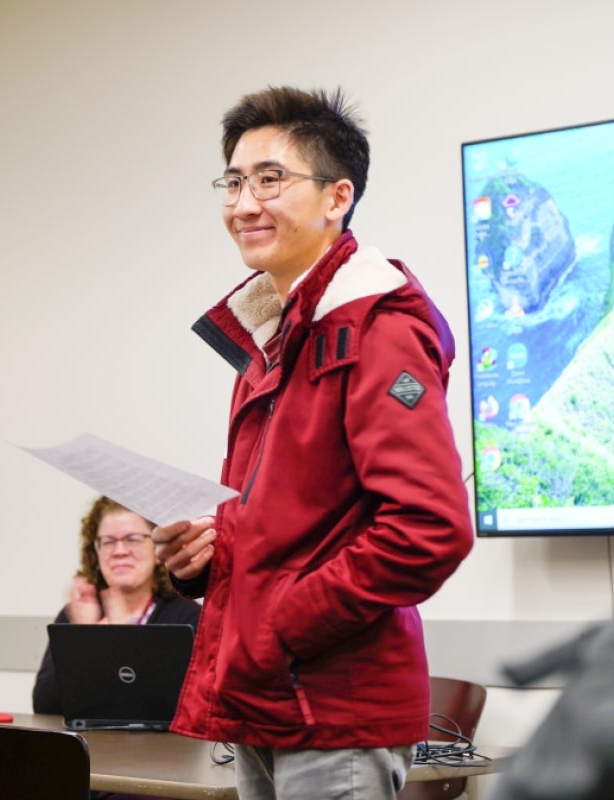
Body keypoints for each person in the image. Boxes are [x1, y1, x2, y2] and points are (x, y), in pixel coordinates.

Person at [152, 86, 475, 800]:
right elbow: (290, 525)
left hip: (333, 707)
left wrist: (281, 624)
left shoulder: (379, 328)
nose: (244, 203)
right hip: (266, 696)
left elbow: (430, 529)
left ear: (337, 197)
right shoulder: (275, 332)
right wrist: (204, 558)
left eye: (271, 179)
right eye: (233, 182)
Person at [32, 495, 201, 715]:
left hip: (165, 749)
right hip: (91, 748)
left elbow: (183, 709)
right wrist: (84, 639)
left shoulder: (188, 618)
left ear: (158, 551)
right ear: (96, 552)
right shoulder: (77, 614)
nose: (119, 551)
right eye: (109, 541)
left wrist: (116, 640)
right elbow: (45, 706)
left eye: (133, 539)